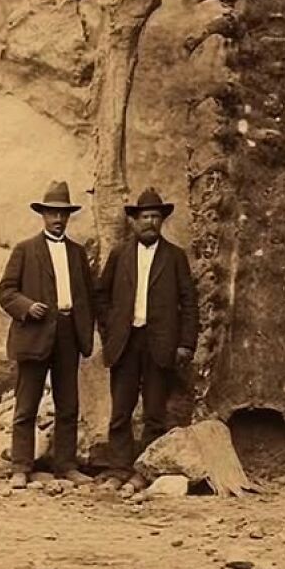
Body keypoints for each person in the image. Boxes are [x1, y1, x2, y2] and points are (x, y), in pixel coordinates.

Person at [96, 187, 199, 495]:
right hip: (126, 342)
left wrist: (185, 343)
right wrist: (110, 329)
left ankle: (145, 471)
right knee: (121, 411)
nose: (150, 222)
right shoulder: (120, 255)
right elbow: (101, 295)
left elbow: (189, 303)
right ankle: (118, 469)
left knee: (154, 412)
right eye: (144, 217)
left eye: (155, 216)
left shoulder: (175, 257)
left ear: (162, 220)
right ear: (134, 221)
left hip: (160, 343)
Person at [0, 181, 95, 489]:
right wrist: (27, 307)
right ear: (43, 215)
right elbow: (5, 292)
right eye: (52, 213)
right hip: (35, 333)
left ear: (68, 217)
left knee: (68, 405)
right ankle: (20, 466)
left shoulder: (78, 253)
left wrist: (83, 330)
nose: (57, 219)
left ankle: (66, 466)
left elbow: (87, 297)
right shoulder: (25, 250)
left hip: (68, 333)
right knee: (27, 405)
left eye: (63, 214)